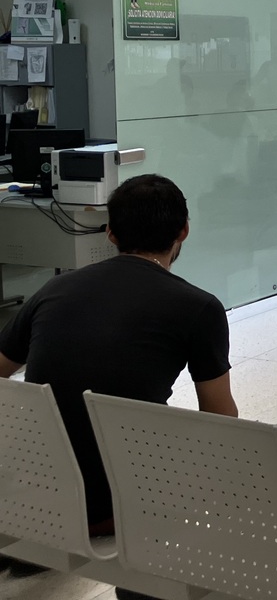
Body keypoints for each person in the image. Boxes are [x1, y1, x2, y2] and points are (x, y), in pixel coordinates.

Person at [0, 175, 238, 548]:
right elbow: (221, 419)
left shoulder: (54, 289)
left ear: (110, 233)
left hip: (34, 490)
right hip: (118, 501)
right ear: (184, 231)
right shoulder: (199, 307)